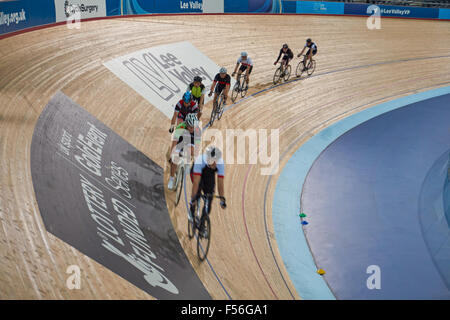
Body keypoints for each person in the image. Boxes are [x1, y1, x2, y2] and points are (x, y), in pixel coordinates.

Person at [189, 145, 227, 229]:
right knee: (197, 191)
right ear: (208, 159)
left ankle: (202, 224)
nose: (214, 163)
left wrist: (222, 200)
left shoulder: (220, 164)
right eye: (212, 161)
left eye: (215, 161)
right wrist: (193, 198)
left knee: (209, 199)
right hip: (197, 173)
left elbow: (220, 183)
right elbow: (196, 183)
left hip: (209, 175)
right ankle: (192, 210)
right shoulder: (200, 161)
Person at [167, 113, 201, 190]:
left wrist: (194, 158)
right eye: (190, 127)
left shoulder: (197, 130)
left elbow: (196, 146)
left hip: (190, 141)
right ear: (186, 124)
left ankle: (187, 164)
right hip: (181, 140)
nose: (191, 129)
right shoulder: (181, 127)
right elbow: (175, 142)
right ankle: (171, 179)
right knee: (174, 160)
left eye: (193, 127)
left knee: (191, 152)